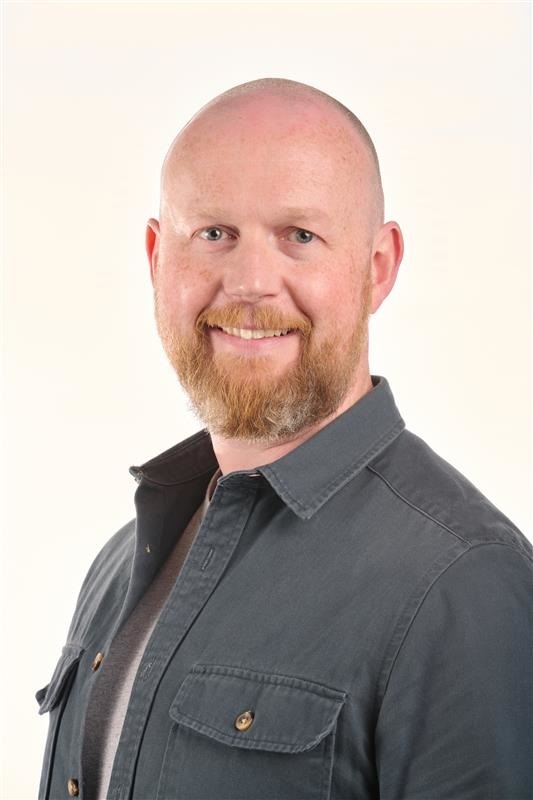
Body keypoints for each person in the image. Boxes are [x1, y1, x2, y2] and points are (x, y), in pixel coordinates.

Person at [37, 78, 532, 800]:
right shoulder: (120, 565)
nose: (249, 282)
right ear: (155, 257)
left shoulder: (462, 585)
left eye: (298, 236)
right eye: (214, 233)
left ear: (376, 268)